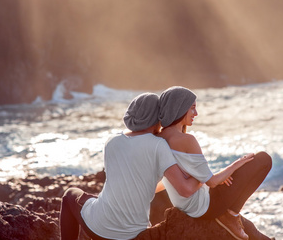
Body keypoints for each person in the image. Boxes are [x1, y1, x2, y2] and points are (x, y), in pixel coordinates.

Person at [60, 92, 202, 240]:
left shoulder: (112, 142)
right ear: (157, 118)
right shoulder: (158, 145)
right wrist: (202, 176)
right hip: (133, 235)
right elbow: (185, 190)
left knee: (70, 194)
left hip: (97, 230)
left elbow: (134, 183)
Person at [157, 86, 273, 240]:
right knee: (263, 159)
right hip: (206, 206)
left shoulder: (158, 139)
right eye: (192, 108)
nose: (196, 114)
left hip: (186, 206)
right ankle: (231, 216)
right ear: (180, 108)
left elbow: (174, 178)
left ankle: (232, 216)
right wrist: (236, 164)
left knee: (251, 229)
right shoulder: (187, 140)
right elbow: (212, 182)